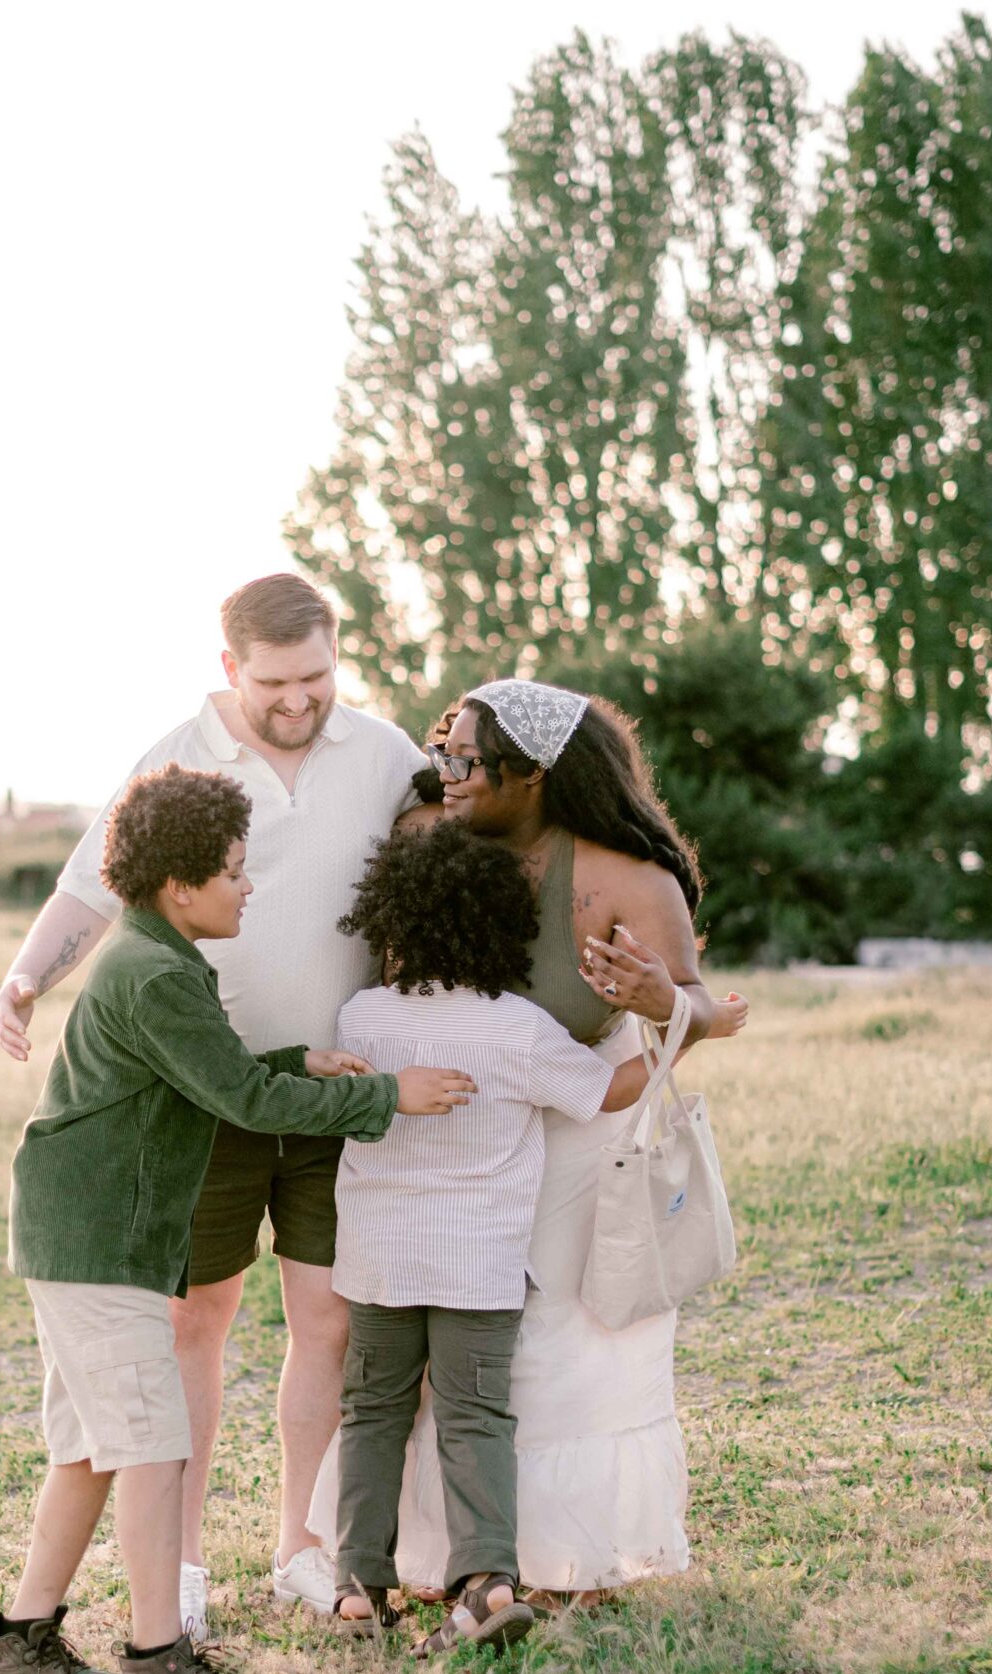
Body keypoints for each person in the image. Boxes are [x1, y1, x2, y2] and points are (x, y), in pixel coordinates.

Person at [0, 763, 474, 1674]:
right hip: (98, 1239)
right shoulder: (154, 973)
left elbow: (229, 1077)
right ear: (180, 886)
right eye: (237, 871)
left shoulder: (159, 960)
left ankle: (23, 1643)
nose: (249, 888)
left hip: (85, 1231)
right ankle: (159, 1669)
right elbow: (243, 1105)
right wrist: (385, 1095)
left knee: (89, 1445)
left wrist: (300, 1062)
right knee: (151, 1444)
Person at [0, 574, 427, 1638]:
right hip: (209, 1096)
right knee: (196, 1319)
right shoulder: (174, 754)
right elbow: (94, 885)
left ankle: (301, 1545)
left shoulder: (382, 753)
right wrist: (23, 978)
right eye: (275, 681)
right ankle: (176, 1566)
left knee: (327, 1319)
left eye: (316, 676)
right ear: (230, 668)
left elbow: (445, 869)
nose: (297, 700)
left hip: (329, 1082)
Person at [310, 678, 747, 1601]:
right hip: (453, 1135)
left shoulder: (627, 876)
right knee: (446, 1376)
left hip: (582, 1131)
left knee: (564, 1349)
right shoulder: (426, 840)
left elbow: (695, 1004)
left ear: (534, 774)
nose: (446, 775)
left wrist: (669, 1004)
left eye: (466, 761)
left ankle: (566, 1558)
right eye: (444, 753)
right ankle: (442, 1560)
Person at [326, 822, 649, 1656]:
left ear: (389, 918)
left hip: (378, 1258)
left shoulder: (360, 1017)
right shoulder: (518, 1028)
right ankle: (486, 1580)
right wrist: (687, 1031)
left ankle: (360, 1584)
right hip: (478, 1265)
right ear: (503, 924)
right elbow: (607, 1092)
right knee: (474, 1418)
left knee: (372, 1411)